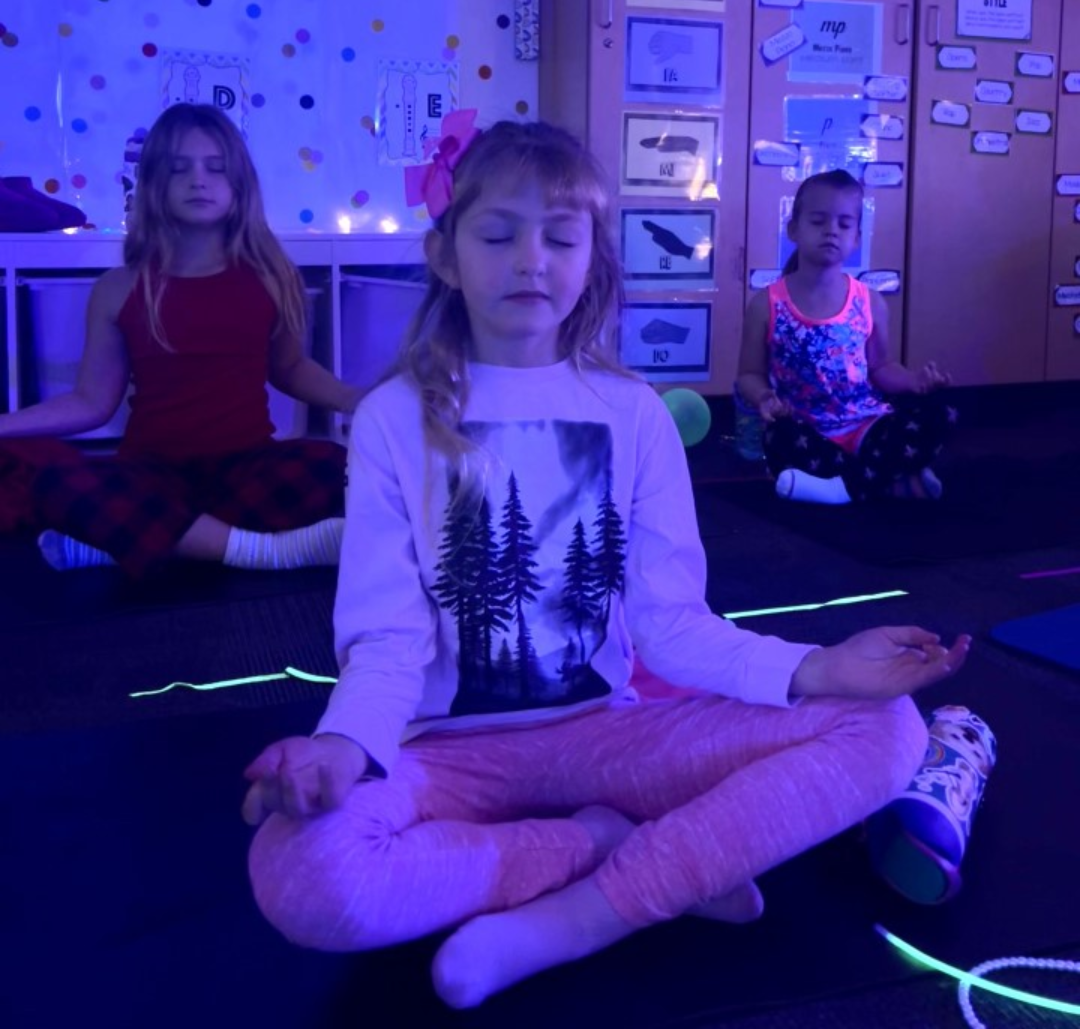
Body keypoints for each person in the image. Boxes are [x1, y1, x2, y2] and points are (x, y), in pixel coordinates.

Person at [241, 121, 970, 1008]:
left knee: (885, 725)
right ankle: (597, 846)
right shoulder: (397, 418)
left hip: (609, 738)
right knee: (302, 875)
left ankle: (588, 914)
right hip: (443, 761)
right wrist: (340, 747)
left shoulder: (632, 414)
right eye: (498, 234)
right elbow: (386, 641)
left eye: (560, 236)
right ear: (445, 255)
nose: (530, 261)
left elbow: (672, 626)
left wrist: (818, 666)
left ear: (592, 257)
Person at [0, 103, 358, 579]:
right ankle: (260, 551)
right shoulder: (119, 288)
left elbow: (289, 368)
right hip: (151, 475)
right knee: (56, 483)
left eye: (215, 168)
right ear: (154, 185)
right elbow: (91, 402)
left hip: (246, 469)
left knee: (337, 466)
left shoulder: (274, 278)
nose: (198, 180)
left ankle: (136, 545)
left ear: (239, 185)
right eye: (178, 169)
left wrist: (360, 399)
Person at [737, 169, 956, 506]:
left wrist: (915, 382)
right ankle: (891, 479)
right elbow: (748, 375)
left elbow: (881, 367)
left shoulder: (870, 302)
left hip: (868, 425)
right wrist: (764, 397)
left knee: (941, 412)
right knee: (779, 439)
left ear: (856, 237)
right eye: (818, 221)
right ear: (793, 229)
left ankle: (843, 488)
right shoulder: (766, 304)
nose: (831, 232)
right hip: (807, 432)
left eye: (843, 224)